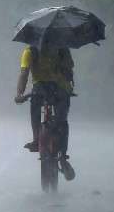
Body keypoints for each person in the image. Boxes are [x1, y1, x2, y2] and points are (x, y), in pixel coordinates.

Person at [14, 45, 75, 178]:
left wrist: (19, 94)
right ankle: (63, 157)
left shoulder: (30, 51)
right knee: (62, 120)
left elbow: (24, 74)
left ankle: (36, 140)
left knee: (35, 108)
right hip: (60, 89)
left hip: (40, 89)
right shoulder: (62, 47)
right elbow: (70, 68)